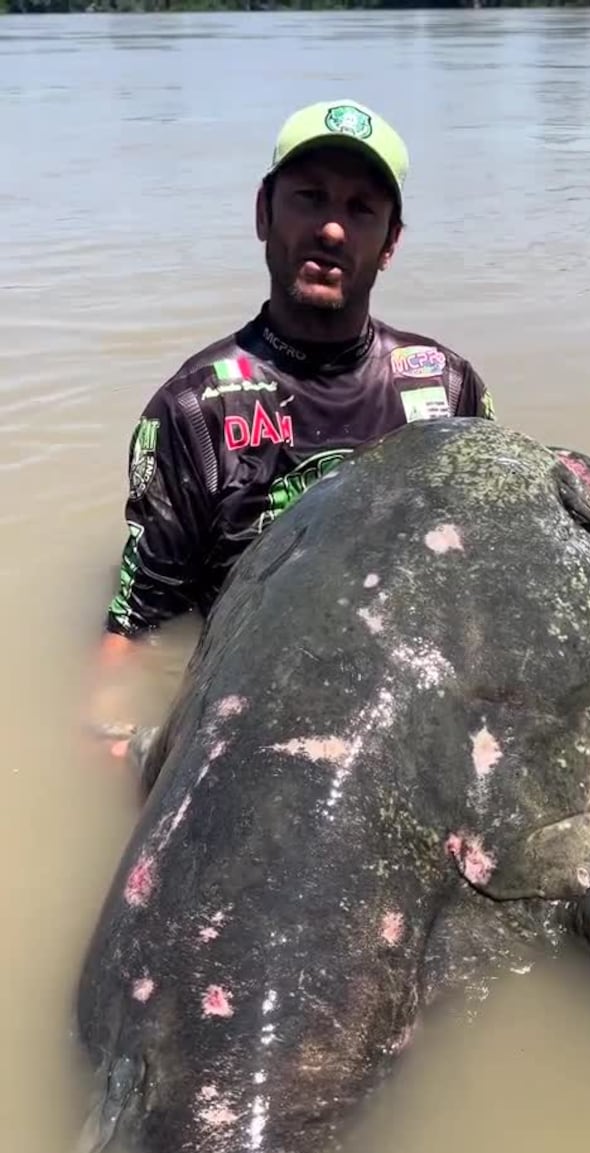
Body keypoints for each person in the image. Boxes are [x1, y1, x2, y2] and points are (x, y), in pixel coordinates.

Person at [91, 98, 495, 725]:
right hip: (249, 705)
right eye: (310, 196)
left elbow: (487, 578)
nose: (332, 228)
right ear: (263, 212)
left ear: (390, 242)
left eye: (361, 208)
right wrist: (110, 730)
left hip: (413, 705)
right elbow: (138, 625)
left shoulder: (447, 388)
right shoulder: (193, 412)